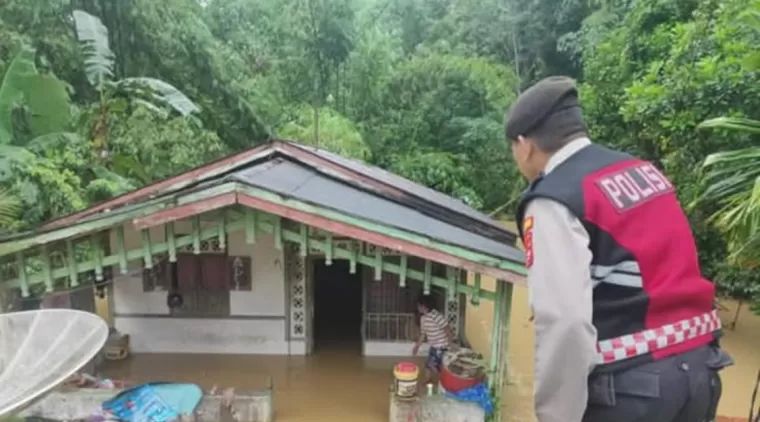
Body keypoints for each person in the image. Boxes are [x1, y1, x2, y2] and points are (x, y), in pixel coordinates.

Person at [504, 76, 733, 422]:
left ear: (524, 144)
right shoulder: (643, 172)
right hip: (700, 370)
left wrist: (556, 417)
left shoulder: (554, 199)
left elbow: (564, 323)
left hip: (634, 389)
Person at [412, 295, 453, 384]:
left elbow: (447, 329)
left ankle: (444, 382)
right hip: (434, 346)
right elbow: (423, 334)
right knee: (429, 365)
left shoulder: (436, 315)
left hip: (442, 346)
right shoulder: (423, 318)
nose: (418, 308)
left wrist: (451, 343)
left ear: (424, 306)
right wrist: (416, 347)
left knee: (439, 366)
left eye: (419, 306)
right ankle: (429, 380)